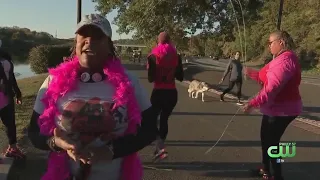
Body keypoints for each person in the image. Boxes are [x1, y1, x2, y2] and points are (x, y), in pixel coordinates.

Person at [27, 14, 158, 180]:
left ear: (109, 46)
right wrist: (56, 143)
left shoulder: (129, 81)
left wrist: (111, 150)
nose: (89, 40)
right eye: (84, 35)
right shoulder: (53, 81)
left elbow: (150, 129)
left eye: (97, 36)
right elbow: (33, 133)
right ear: (76, 44)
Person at [243, 30, 302, 180]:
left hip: (282, 111)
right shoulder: (280, 58)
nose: (269, 46)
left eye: (270, 42)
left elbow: (272, 88)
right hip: (273, 109)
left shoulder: (285, 61)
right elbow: (266, 77)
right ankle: (265, 169)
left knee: (273, 145)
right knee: (266, 139)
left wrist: (252, 103)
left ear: (281, 42)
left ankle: (277, 175)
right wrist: (251, 73)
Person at [146, 32, 184, 161]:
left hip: (158, 92)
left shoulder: (152, 56)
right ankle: (160, 146)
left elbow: (150, 79)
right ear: (170, 41)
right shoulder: (177, 56)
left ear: (158, 41)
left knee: (151, 119)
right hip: (172, 93)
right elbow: (181, 77)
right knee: (164, 119)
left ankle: (160, 146)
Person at [0, 39, 24, 159]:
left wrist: (18, 93)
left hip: (6, 98)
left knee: (10, 124)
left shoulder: (4, 57)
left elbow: (11, 76)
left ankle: (13, 149)